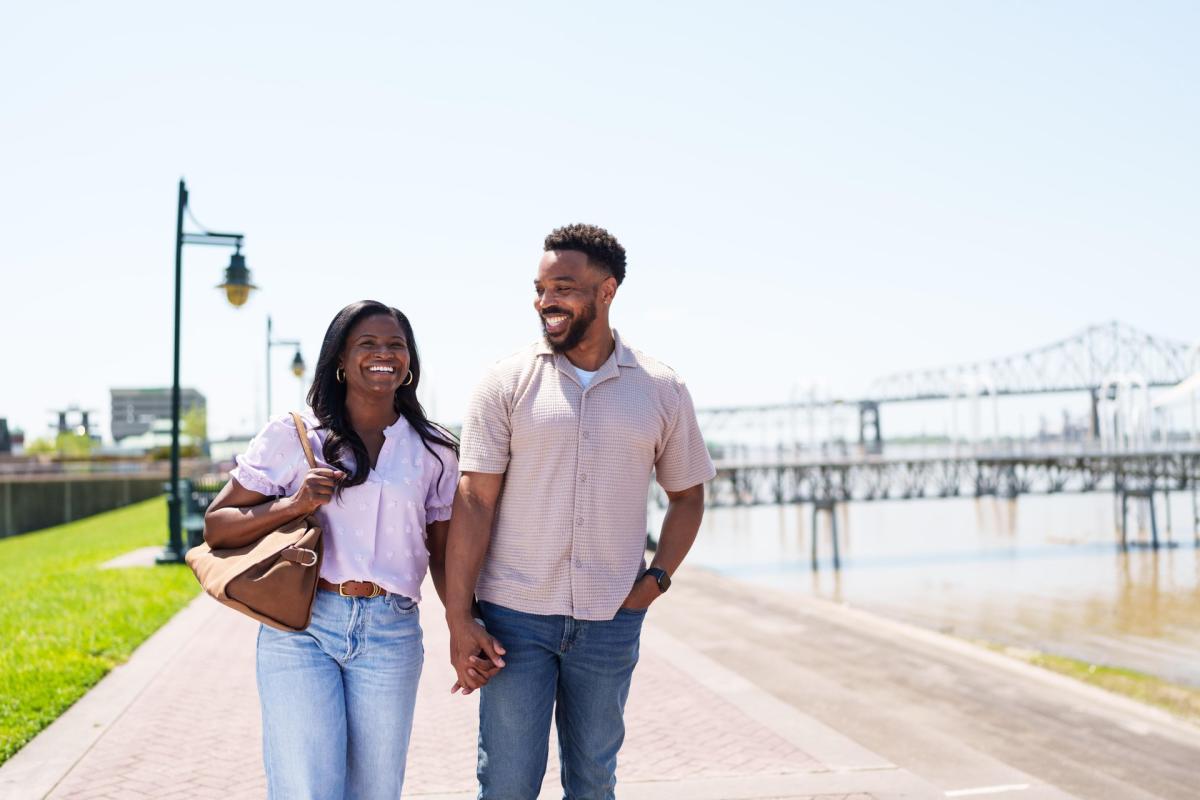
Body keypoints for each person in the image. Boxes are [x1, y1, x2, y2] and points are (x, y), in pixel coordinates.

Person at [444, 224, 716, 799]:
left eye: (563, 287)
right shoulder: (504, 383)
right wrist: (458, 615)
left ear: (607, 290)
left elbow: (688, 496)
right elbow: (473, 501)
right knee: (508, 784)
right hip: (513, 618)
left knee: (594, 783)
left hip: (610, 620)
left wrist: (656, 580)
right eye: (540, 288)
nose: (547, 301)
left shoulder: (662, 389)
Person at [203, 300, 458, 800]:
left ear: (410, 362)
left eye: (396, 345)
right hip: (303, 627)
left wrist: (461, 624)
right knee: (306, 789)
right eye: (368, 343)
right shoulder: (294, 435)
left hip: (392, 630)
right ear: (340, 359)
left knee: (376, 791)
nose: (384, 354)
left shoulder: (435, 449)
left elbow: (444, 554)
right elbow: (218, 527)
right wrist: (292, 504)